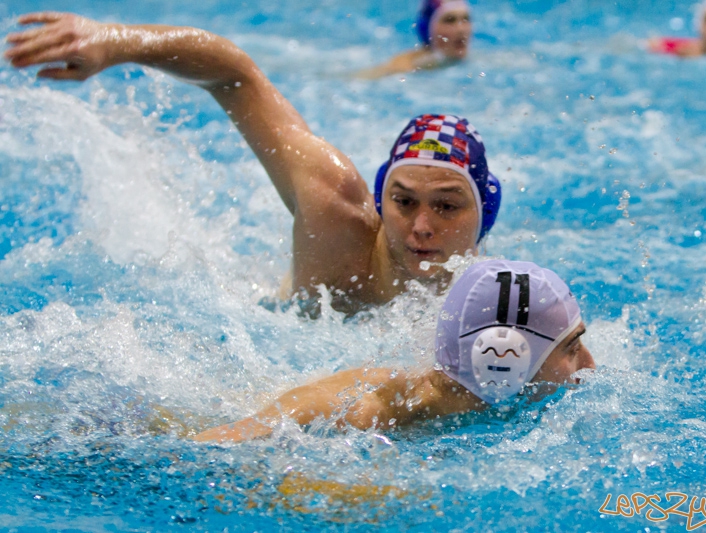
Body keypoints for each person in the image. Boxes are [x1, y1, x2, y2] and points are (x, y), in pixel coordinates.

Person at [4, 13, 500, 315]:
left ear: (485, 215)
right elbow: (235, 77)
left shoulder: (496, 302)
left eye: (447, 207)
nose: (420, 226)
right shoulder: (336, 210)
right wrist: (118, 41)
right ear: (379, 198)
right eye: (404, 200)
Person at [192, 259, 595, 443]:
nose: (590, 364)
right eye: (572, 347)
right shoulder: (357, 413)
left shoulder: (461, 404)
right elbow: (205, 449)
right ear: (502, 357)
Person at [356, 0, 472, 79]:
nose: (461, 29)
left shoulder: (476, 59)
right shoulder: (406, 65)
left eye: (466, 19)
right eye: (450, 20)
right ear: (428, 28)